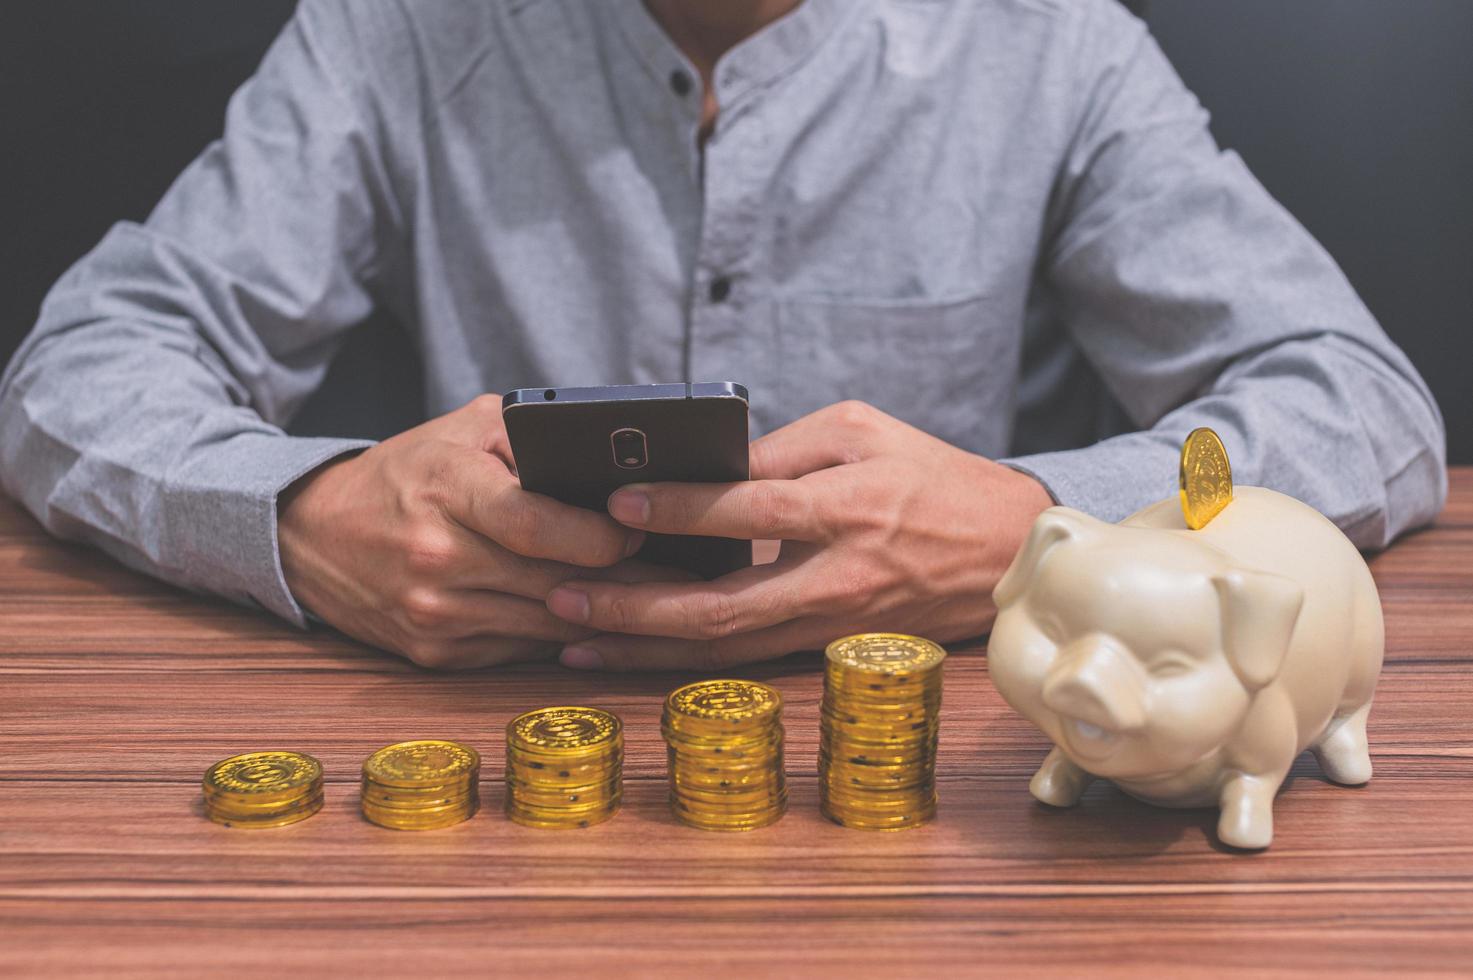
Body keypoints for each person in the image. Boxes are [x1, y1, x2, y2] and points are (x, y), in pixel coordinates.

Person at [0, 0, 1446, 671]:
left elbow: (1359, 404)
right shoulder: (395, 33)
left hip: (961, 802)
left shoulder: (1050, 46)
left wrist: (1039, 524)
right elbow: (81, 369)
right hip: (487, 773)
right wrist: (303, 514)